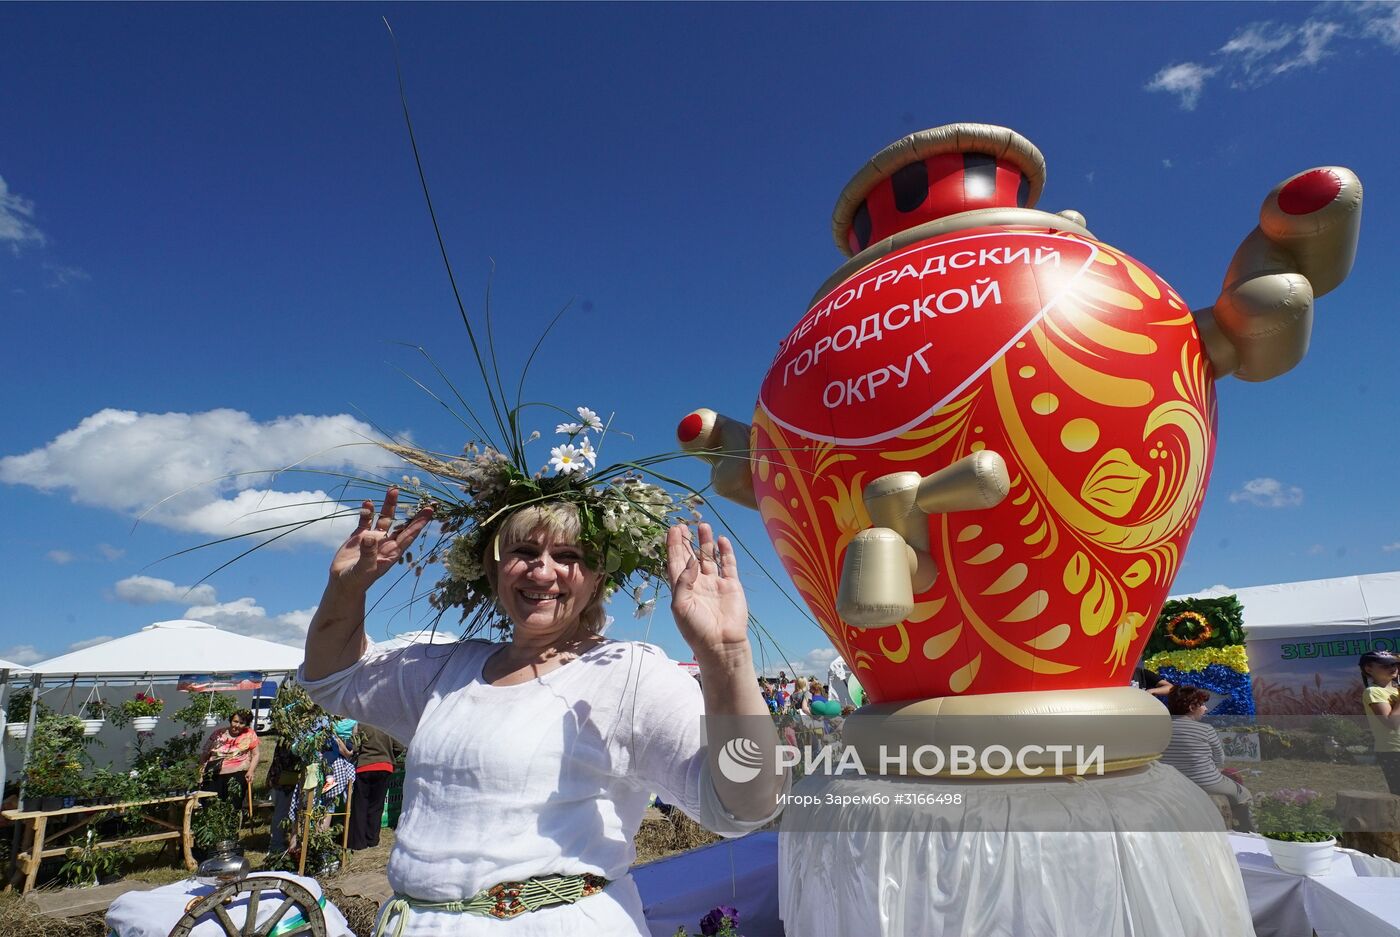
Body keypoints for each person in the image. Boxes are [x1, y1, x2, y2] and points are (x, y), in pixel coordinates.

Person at [299, 490, 786, 935]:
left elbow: (742, 807)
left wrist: (726, 655)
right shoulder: (446, 666)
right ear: (493, 569)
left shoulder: (627, 672)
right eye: (524, 553)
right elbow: (332, 678)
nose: (543, 571)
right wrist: (347, 588)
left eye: (568, 556)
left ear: (597, 581)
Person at [1160, 686, 1254, 832]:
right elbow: (1219, 759)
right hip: (1206, 782)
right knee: (1244, 794)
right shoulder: (1206, 729)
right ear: (1192, 707)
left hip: (1174, 782)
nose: (1206, 709)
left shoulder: (1162, 728)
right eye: (1203, 704)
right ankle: (1247, 829)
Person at [350, 722, 405, 851]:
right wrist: (388, 755)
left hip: (364, 766)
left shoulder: (360, 725)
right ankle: (372, 840)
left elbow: (355, 746)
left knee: (360, 805)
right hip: (384, 767)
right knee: (376, 805)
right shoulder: (389, 726)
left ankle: (358, 842)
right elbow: (400, 747)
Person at [1359, 649, 1400, 794]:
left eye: (1394, 664)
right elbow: (1391, 723)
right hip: (1394, 751)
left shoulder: (1396, 690)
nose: (1393, 668)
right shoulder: (1373, 692)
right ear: (1368, 669)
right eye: (1385, 665)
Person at [200, 709, 260, 806]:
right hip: (213, 772)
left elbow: (256, 754)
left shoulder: (250, 734)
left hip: (237, 773)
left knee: (233, 804)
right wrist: (202, 769)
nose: (237, 725)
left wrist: (251, 771)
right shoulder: (218, 734)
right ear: (230, 720)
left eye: (241, 723)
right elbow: (205, 752)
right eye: (235, 721)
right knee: (210, 803)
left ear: (246, 724)